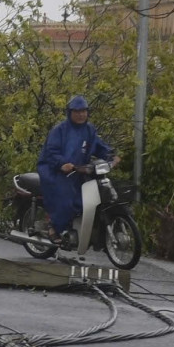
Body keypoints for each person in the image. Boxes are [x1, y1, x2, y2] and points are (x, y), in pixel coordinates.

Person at [38, 95, 114, 249]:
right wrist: (62, 164)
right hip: (54, 170)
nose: (81, 114)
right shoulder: (59, 130)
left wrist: (111, 156)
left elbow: (99, 147)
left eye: (84, 111)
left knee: (89, 198)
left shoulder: (89, 130)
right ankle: (53, 227)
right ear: (70, 112)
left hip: (79, 170)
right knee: (66, 198)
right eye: (77, 111)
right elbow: (50, 152)